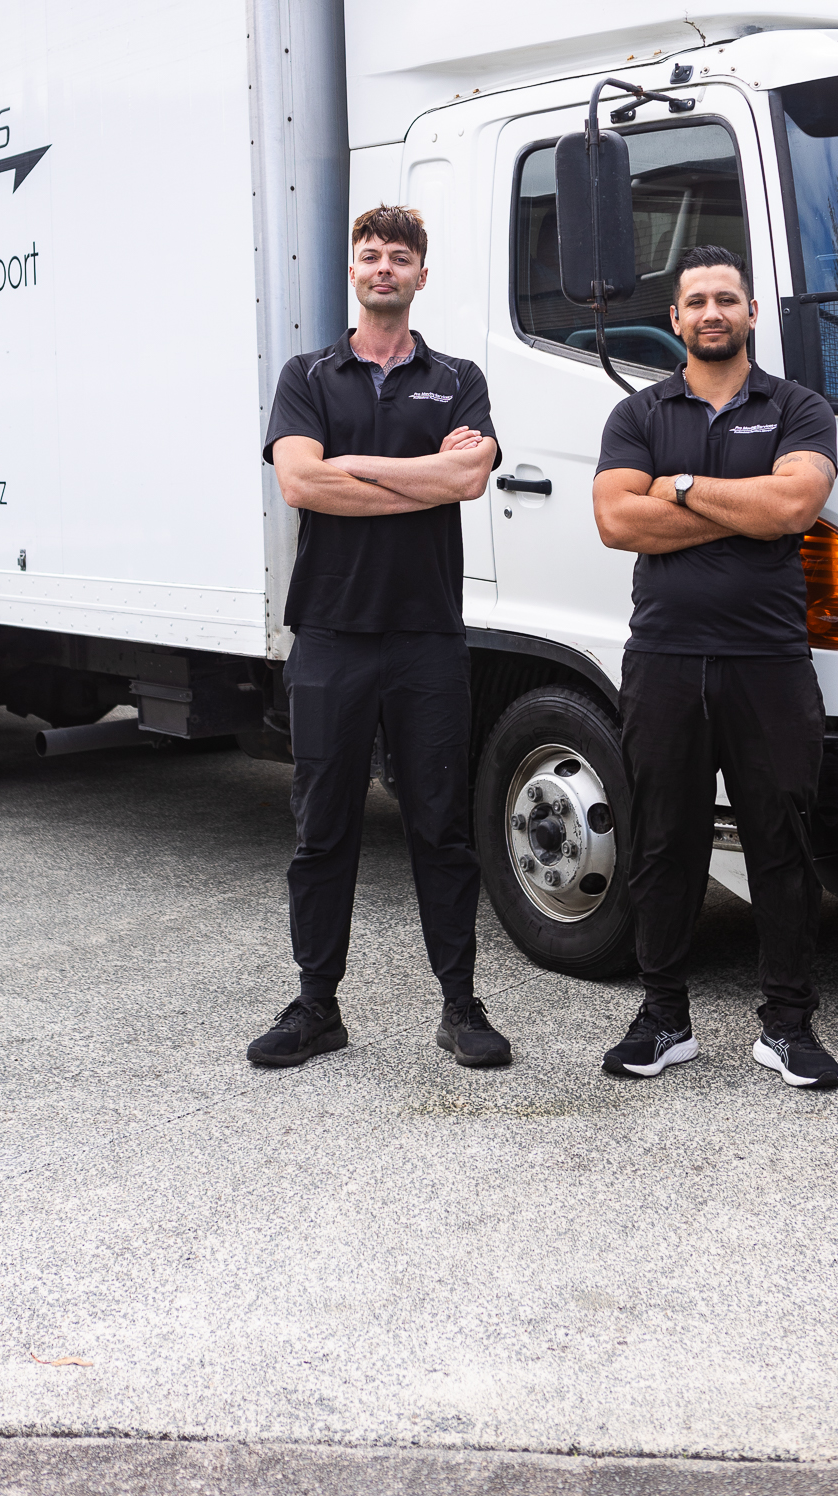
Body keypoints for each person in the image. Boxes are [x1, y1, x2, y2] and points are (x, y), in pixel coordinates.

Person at [247, 204, 511, 1071]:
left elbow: (469, 476)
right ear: (352, 274)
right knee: (323, 828)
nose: (384, 268)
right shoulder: (307, 374)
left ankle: (460, 1007)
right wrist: (422, 479)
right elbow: (298, 484)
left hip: (425, 636)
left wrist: (352, 468)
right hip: (329, 633)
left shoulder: (458, 376)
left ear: (422, 276)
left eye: (400, 257)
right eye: (370, 256)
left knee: (440, 826)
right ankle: (316, 1007)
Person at [591, 245, 838, 1089]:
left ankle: (788, 1025)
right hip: (663, 659)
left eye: (725, 299)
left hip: (767, 661)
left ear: (749, 313)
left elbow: (796, 504)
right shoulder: (637, 413)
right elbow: (616, 523)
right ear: (674, 319)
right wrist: (747, 509)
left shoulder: (798, 406)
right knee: (665, 840)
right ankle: (663, 1017)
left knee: (780, 839)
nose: (710, 313)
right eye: (694, 300)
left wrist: (680, 486)